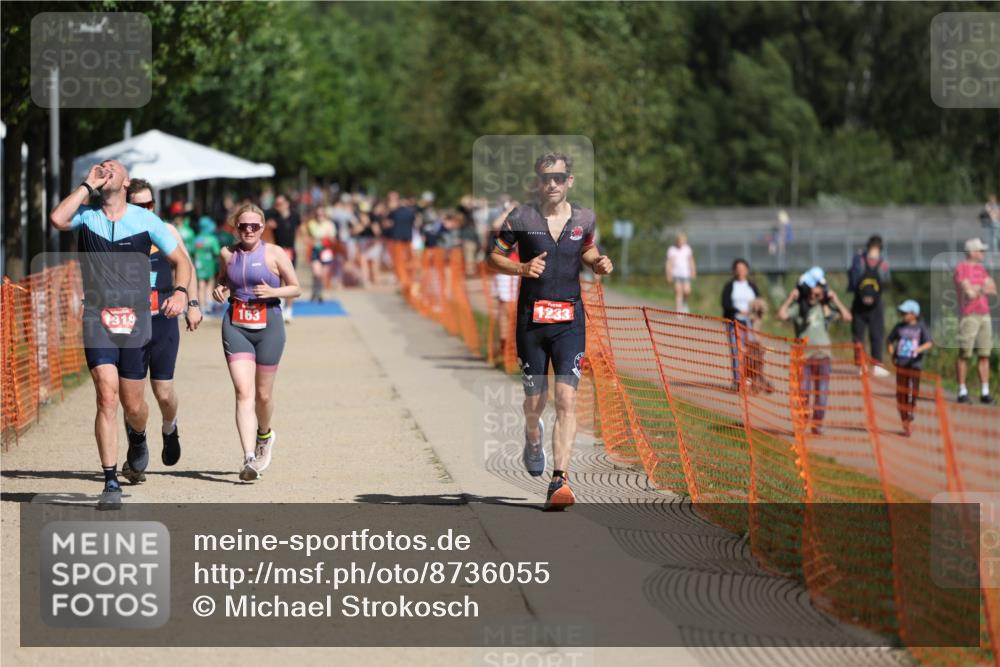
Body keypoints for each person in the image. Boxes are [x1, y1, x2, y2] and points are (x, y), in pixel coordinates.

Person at [49, 161, 193, 508]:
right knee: (106, 397)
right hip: (98, 316)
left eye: (114, 168)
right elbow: (57, 219)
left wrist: (181, 292)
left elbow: (181, 262)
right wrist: (87, 184)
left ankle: (139, 435)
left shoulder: (146, 221)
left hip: (136, 319)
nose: (106, 170)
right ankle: (110, 481)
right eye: (102, 168)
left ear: (126, 181)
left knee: (133, 404)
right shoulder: (86, 215)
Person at [487, 152, 614, 511]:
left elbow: (587, 251)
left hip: (570, 322)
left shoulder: (584, 218)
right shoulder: (522, 217)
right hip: (532, 322)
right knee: (535, 403)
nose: (553, 184)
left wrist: (600, 263)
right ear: (537, 182)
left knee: (568, 399)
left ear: (569, 181)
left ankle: (559, 479)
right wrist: (520, 268)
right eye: (546, 178)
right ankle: (532, 436)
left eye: (559, 177)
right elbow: (493, 255)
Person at [121, 179, 203, 483]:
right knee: (132, 396)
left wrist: (192, 302)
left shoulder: (167, 232)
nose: (146, 210)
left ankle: (170, 427)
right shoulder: (119, 231)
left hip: (163, 321)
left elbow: (188, 266)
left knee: (164, 393)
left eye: (150, 204)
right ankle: (136, 449)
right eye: (139, 205)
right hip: (130, 323)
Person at [213, 203, 301, 481]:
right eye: (243, 226)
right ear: (235, 227)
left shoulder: (274, 253)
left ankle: (265, 435)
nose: (248, 230)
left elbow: (296, 287)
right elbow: (224, 282)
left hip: (269, 325)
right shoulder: (227, 253)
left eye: (254, 226)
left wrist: (273, 290)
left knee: (263, 395)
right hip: (236, 325)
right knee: (243, 391)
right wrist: (219, 289)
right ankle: (249, 458)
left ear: (263, 228)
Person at [777, 270, 852, 435]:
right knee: (803, 393)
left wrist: (835, 300)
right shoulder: (798, 308)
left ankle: (817, 424)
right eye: (810, 292)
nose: (813, 296)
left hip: (823, 357)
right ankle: (802, 423)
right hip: (804, 358)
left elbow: (847, 317)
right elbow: (781, 315)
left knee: (822, 394)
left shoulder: (824, 308)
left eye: (817, 292)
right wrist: (791, 298)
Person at [954, 238, 996, 404]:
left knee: (984, 354)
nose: (983, 253)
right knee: (965, 354)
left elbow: (993, 289)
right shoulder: (961, 268)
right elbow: (968, 292)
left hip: (984, 314)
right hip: (969, 315)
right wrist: (982, 288)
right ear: (971, 252)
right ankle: (962, 390)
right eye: (980, 250)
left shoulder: (982, 269)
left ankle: (985, 392)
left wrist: (977, 288)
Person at [721, 258, 771, 393]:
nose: (740, 271)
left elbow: (760, 301)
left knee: (754, 353)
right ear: (734, 271)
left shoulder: (752, 286)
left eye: (743, 269)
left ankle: (757, 380)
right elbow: (725, 304)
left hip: (751, 323)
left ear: (747, 270)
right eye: (738, 269)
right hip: (734, 322)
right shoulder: (730, 286)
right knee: (737, 351)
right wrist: (738, 311)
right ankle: (738, 381)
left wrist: (758, 309)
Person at [887, 300, 933, 436]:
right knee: (901, 393)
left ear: (914, 314)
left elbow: (929, 343)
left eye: (905, 312)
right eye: (902, 312)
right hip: (901, 364)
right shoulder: (899, 327)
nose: (902, 315)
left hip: (914, 365)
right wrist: (892, 353)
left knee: (913, 391)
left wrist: (918, 349)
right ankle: (905, 420)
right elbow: (889, 341)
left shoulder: (921, 327)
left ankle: (911, 412)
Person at [848, 235, 891, 374]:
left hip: (876, 305)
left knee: (877, 334)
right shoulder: (859, 260)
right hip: (859, 304)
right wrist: (863, 296)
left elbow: (885, 283)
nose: (874, 251)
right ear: (868, 247)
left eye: (877, 249)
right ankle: (860, 364)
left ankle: (877, 364)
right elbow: (854, 281)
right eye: (873, 248)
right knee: (858, 335)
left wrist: (873, 296)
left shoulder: (883, 263)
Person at [265, 194, 302, 322]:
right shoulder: (273, 216)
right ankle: (279, 306)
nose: (278, 207)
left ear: (287, 204)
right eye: (276, 204)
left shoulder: (295, 216)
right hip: (277, 251)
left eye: (280, 204)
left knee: (290, 281)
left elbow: (298, 230)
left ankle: (289, 310)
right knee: (277, 280)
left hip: (290, 250)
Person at [307, 206, 337, 301]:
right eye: (318, 214)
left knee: (323, 274)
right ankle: (315, 290)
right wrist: (324, 236)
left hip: (326, 250)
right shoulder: (311, 224)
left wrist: (327, 238)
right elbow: (313, 235)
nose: (320, 216)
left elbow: (333, 238)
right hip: (316, 250)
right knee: (317, 273)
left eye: (322, 214)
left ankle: (318, 291)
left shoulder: (330, 224)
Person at [192, 216, 222, 310]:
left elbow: (192, 251)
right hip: (210, 264)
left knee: (201, 285)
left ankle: (202, 306)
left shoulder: (197, 238)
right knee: (210, 283)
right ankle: (209, 305)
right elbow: (217, 252)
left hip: (199, 264)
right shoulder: (212, 239)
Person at [665, 232, 695, 313]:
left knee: (687, 291)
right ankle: (679, 309)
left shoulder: (687, 249)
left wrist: (693, 270)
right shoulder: (672, 249)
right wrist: (668, 274)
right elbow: (669, 263)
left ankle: (685, 303)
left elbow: (691, 260)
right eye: (680, 240)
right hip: (676, 274)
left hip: (686, 274)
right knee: (678, 292)